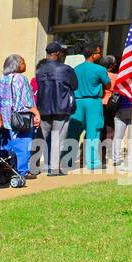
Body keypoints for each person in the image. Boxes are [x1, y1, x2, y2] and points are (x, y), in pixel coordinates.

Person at [0, 54, 39, 188]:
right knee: (23, 143)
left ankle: (7, 169)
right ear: (17, 65)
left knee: (6, 144)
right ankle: (22, 171)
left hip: (4, 117)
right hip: (20, 118)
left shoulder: (0, 79)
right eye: (23, 62)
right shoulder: (21, 79)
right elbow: (27, 100)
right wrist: (36, 113)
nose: (25, 65)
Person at [35, 42, 79, 177]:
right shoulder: (66, 69)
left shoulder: (40, 69)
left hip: (43, 108)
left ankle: (32, 167)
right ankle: (54, 169)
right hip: (61, 107)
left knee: (40, 138)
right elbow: (75, 85)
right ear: (57, 54)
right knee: (57, 138)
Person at [70, 44, 111, 171]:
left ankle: (67, 160)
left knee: (73, 132)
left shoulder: (75, 69)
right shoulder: (99, 69)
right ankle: (93, 162)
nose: (100, 55)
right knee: (93, 131)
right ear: (93, 55)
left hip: (77, 102)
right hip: (93, 102)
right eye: (99, 53)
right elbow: (108, 85)